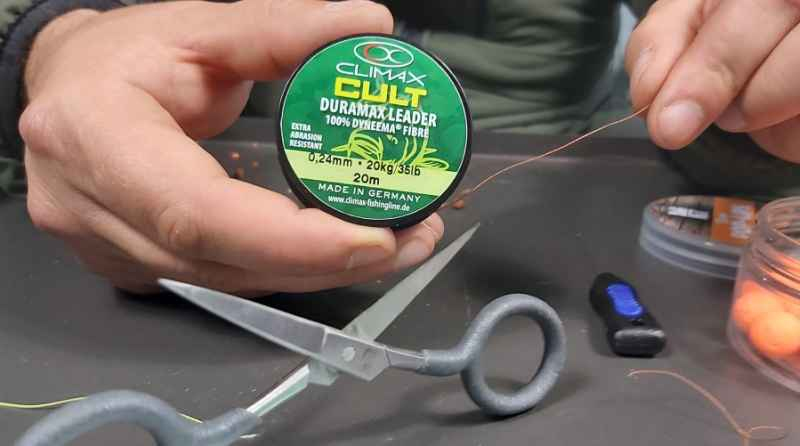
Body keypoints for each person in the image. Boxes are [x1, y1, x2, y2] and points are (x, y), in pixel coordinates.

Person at [0, 0, 797, 294]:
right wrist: (45, 40)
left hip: (560, 192)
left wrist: (762, 116)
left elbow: (709, 65)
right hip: (198, 158)